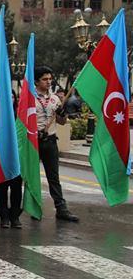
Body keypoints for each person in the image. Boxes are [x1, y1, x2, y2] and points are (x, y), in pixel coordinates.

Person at [36, 66, 79, 222]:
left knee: (53, 177)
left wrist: (62, 114)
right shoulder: (30, 98)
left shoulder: (55, 99)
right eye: (44, 79)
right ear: (36, 81)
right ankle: (33, 206)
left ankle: (61, 208)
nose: (48, 82)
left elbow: (61, 122)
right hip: (34, 142)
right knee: (31, 175)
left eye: (50, 79)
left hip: (50, 141)